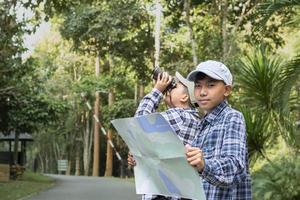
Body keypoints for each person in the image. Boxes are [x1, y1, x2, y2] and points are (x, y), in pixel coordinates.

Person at [185, 60, 252, 200]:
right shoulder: (201, 125)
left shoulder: (232, 117)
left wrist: (204, 165)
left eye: (211, 85)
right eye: (198, 86)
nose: (202, 92)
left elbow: (235, 167)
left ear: (226, 90)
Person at [128, 71, 200, 200]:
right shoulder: (192, 118)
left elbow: (139, 123)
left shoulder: (180, 116)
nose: (169, 87)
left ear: (184, 97)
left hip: (164, 195)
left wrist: (157, 90)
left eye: (174, 86)